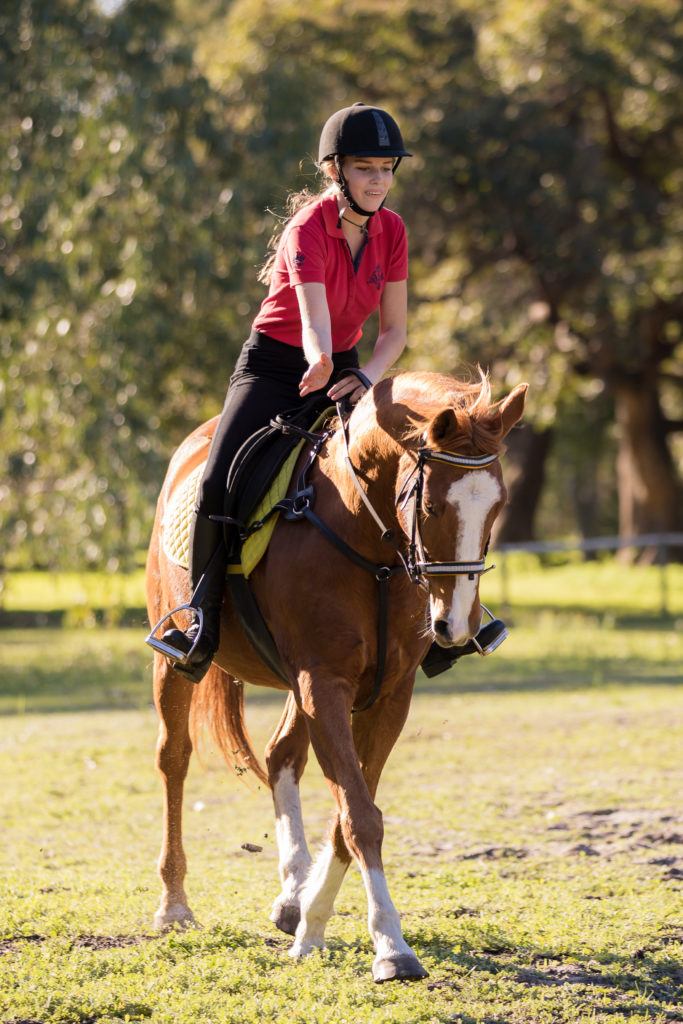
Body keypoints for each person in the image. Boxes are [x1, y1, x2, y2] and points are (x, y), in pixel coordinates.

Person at [154, 102, 506, 684]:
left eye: (387, 169)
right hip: (274, 367)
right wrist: (318, 358)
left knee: (403, 469)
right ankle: (196, 619)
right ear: (335, 171)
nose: (378, 180)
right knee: (218, 478)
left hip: (346, 369)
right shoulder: (306, 229)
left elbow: (395, 331)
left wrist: (363, 376)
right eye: (366, 168)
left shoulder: (393, 231)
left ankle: (453, 616)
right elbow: (313, 319)